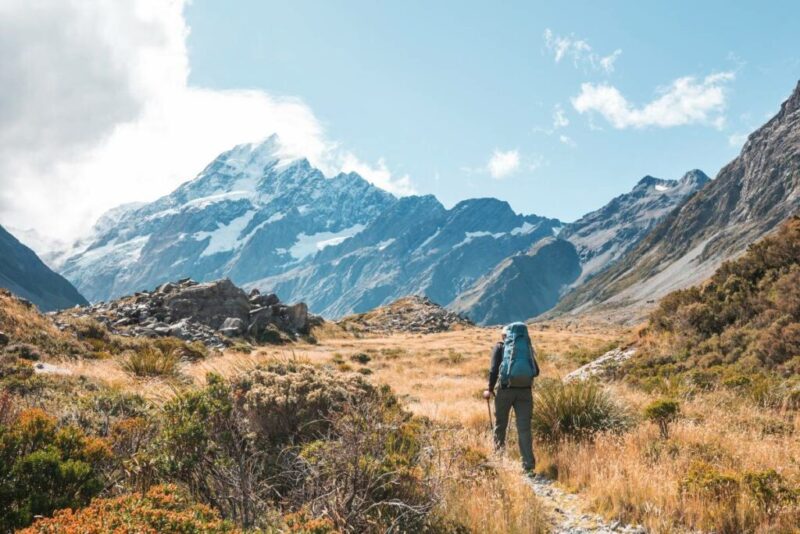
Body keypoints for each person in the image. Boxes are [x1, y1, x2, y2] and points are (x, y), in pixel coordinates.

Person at [483, 325, 536, 474]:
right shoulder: (527, 346)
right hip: (525, 391)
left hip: (505, 391)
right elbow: (534, 368)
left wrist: (490, 388)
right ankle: (528, 466)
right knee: (524, 428)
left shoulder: (500, 347)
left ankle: (499, 459)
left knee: (500, 425)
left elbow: (494, 369)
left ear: (504, 336)